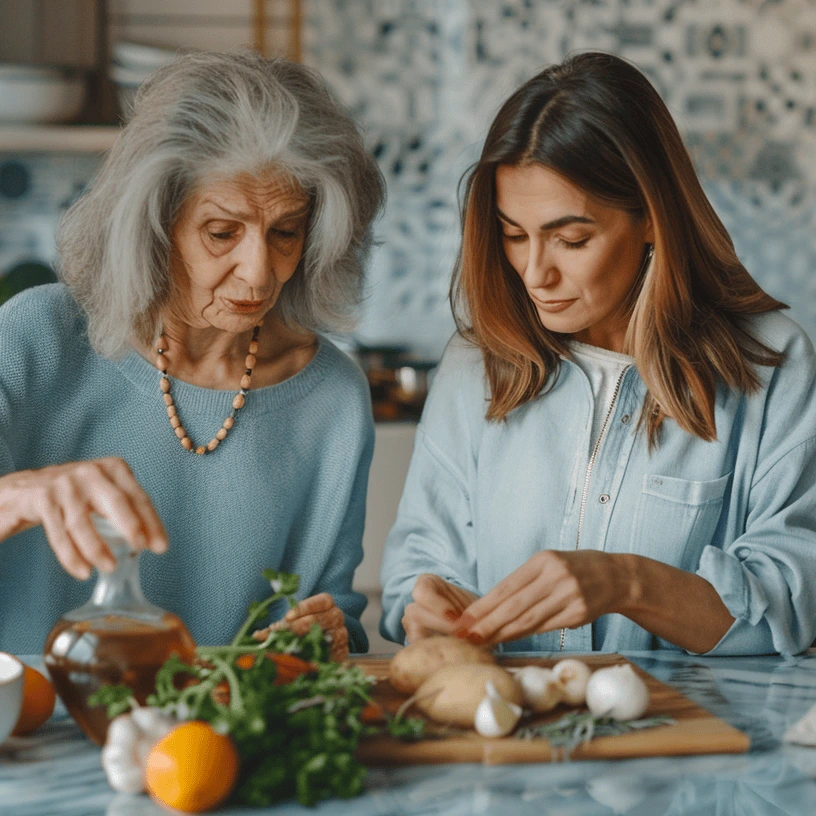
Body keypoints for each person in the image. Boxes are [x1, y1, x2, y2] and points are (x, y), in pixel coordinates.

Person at [380, 52, 816, 657]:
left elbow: (790, 607)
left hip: (696, 743)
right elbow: (413, 575)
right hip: (508, 737)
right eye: (513, 234)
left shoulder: (770, 364)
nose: (535, 273)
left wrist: (622, 583)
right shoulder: (475, 365)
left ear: (651, 221)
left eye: (571, 238)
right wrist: (431, 605)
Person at [0, 50, 385, 660]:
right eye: (222, 232)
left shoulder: (331, 398)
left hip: (216, 745)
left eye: (285, 233)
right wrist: (17, 495)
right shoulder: (35, 336)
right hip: (32, 731)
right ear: (156, 222)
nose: (259, 274)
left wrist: (327, 633)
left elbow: (333, 617)